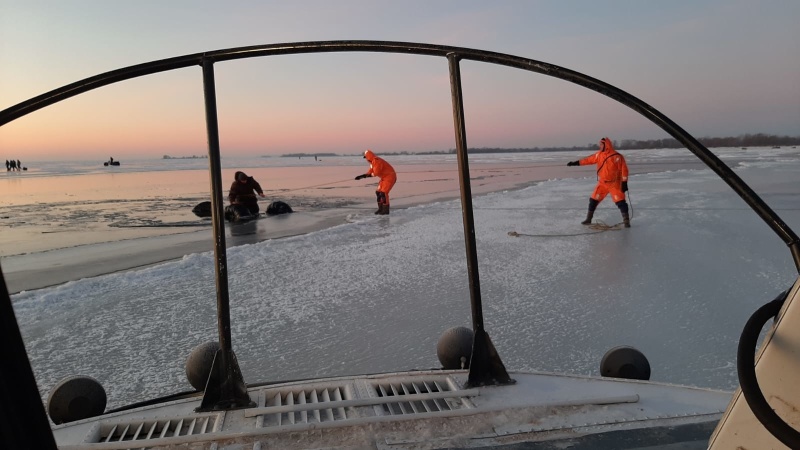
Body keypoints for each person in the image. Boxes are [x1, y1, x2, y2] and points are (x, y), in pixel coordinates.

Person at [567, 137, 630, 227]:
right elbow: (588, 160)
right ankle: (588, 219)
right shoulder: (599, 155)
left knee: (620, 202)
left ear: (606, 145)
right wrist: (575, 163)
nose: (600, 146)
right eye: (599, 144)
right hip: (602, 184)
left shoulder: (617, 156)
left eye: (601, 144)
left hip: (615, 184)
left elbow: (624, 170)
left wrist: (624, 182)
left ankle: (626, 221)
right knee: (593, 200)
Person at [355, 149, 397, 215]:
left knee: (383, 193)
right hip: (384, 178)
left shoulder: (377, 161)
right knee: (378, 192)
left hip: (390, 177)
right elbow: (370, 172)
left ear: (368, 156)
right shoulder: (372, 163)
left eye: (366, 157)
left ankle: (385, 210)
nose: (366, 159)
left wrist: (368, 175)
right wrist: (362, 176)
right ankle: (380, 209)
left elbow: (376, 173)